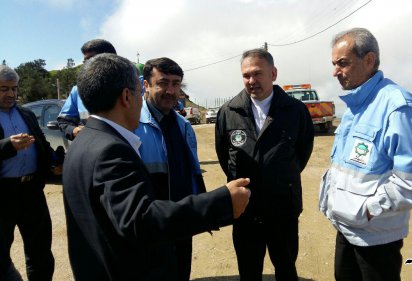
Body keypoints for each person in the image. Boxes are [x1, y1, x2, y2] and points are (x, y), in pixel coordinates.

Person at [62, 53, 251, 280]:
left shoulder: (84, 140)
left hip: (168, 233)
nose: (171, 91)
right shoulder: (111, 149)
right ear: (127, 95)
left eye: (176, 84)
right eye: (142, 92)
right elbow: (140, 220)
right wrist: (221, 201)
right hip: (142, 254)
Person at [318, 28, 412, 281]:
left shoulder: (397, 106)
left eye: (342, 63)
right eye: (334, 64)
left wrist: (368, 209)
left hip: (377, 238)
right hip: (347, 229)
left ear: (369, 60)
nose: (335, 72)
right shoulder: (356, 105)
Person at [215, 48, 314, 281]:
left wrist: (278, 175)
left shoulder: (295, 111)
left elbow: (303, 152)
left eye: (258, 74)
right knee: (249, 271)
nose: (252, 81)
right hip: (245, 210)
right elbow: (224, 156)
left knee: (286, 268)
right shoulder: (229, 112)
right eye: (246, 75)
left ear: (273, 74)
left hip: (283, 208)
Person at [133, 57, 202, 281]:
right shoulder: (131, 126)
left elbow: (192, 172)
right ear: (146, 84)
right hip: (148, 228)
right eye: (163, 83)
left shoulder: (184, 126)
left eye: (176, 83)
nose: (170, 91)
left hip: (181, 223)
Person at [0, 65, 61, 280]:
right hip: (3, 195)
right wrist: (7, 146)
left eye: (14, 89)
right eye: (4, 89)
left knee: (40, 251)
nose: (10, 94)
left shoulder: (26, 113)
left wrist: (54, 161)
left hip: (32, 191)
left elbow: (42, 143)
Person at [57, 39, 117, 140]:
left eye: (91, 59)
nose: (86, 64)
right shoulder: (78, 91)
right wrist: (75, 131)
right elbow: (64, 122)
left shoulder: (131, 87)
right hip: (92, 149)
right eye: (85, 60)